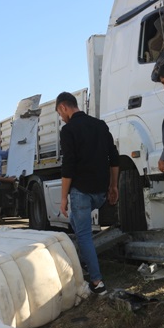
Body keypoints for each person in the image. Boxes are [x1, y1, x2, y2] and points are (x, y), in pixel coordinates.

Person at [56, 92, 119, 295]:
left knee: (83, 235)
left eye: (59, 112)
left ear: (64, 107)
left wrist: (63, 197)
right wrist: (113, 186)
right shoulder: (100, 125)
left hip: (81, 191)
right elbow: (114, 158)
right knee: (77, 222)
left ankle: (97, 282)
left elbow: (69, 166)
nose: (60, 117)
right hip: (100, 191)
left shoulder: (68, 130)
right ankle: (86, 261)